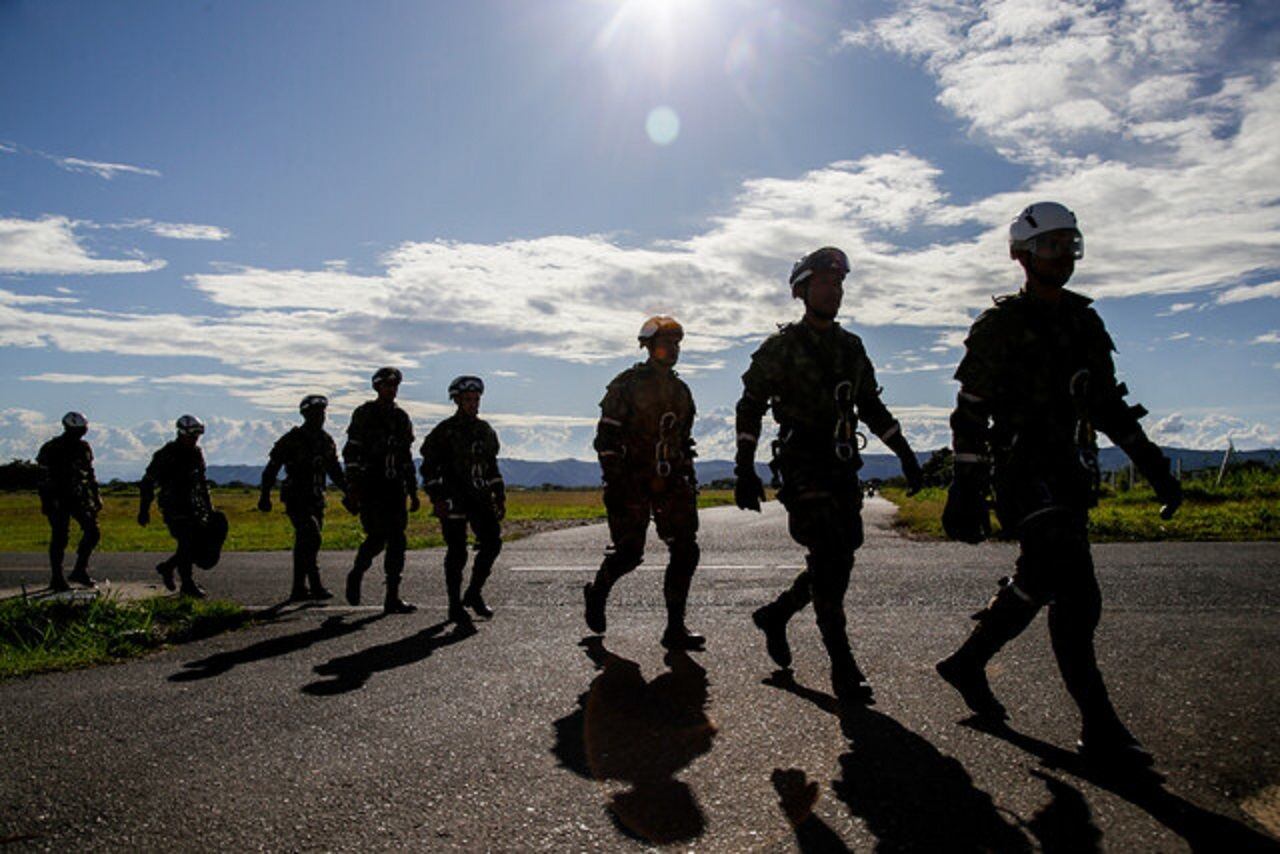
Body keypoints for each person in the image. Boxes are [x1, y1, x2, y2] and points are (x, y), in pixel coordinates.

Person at [936, 201, 1183, 766]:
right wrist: (965, 487)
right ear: (1022, 255)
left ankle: (968, 663)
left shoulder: (1084, 322)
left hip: (1071, 470)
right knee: (1076, 587)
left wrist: (1153, 465)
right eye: (1050, 246)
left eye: (1070, 244)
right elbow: (970, 410)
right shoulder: (999, 327)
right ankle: (1100, 727)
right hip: (1023, 472)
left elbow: (1108, 405)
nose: (1063, 256)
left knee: (1045, 579)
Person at [734, 247, 923, 707]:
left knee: (840, 556)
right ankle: (842, 665)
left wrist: (905, 454)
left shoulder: (851, 347)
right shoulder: (780, 349)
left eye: (838, 284)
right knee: (829, 552)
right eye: (823, 283)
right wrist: (743, 468)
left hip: (841, 466)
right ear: (802, 291)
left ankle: (778, 614)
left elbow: (871, 407)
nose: (833, 291)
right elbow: (750, 406)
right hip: (802, 464)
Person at [583, 316, 704, 651]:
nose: (673, 349)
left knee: (685, 549)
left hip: (672, 481)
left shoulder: (681, 391)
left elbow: (684, 438)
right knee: (629, 554)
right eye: (666, 343)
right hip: (631, 481)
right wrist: (616, 480)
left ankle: (675, 628)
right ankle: (597, 592)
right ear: (649, 348)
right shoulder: (626, 384)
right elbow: (605, 438)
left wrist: (685, 474)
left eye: (677, 343)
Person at [420, 375, 505, 629]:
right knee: (457, 552)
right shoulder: (444, 431)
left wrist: (499, 495)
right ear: (457, 401)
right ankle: (454, 604)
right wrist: (437, 498)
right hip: (453, 499)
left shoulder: (485, 430)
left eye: (476, 399)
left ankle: (474, 592)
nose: (473, 404)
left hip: (480, 499)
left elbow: (491, 466)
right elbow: (428, 468)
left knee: (492, 543)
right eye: (468, 399)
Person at [342, 367, 419, 614]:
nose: (392, 389)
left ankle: (392, 597)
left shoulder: (401, 417)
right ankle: (357, 572)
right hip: (371, 487)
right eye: (387, 385)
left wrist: (413, 490)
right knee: (377, 538)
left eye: (395, 385)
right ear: (377, 387)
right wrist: (353, 486)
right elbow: (351, 452)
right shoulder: (364, 414)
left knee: (398, 540)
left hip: (395, 487)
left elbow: (406, 456)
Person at [258, 394, 348, 602]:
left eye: (322, 413)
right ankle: (315, 585)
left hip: (317, 498)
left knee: (307, 543)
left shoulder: (326, 441)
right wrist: (264, 496)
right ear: (305, 415)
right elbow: (271, 469)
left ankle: (298, 588)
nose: (320, 417)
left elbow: (334, 471)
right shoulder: (292, 440)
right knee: (311, 535)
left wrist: (348, 492)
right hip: (296, 497)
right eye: (316, 413)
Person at [138, 415, 218, 598]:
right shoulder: (166, 454)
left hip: (194, 506)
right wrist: (144, 510)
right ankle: (187, 584)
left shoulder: (196, 453)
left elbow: (202, 483)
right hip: (174, 506)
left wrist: (210, 508)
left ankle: (168, 567)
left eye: (198, 434)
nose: (196, 438)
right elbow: (148, 483)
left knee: (193, 544)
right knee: (187, 541)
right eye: (193, 434)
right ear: (182, 432)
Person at [36, 411, 102, 591]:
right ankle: (57, 578)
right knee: (60, 537)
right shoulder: (51, 448)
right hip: (57, 498)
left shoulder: (84, 448)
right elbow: (42, 478)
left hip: (78, 498)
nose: (82, 432)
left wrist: (96, 496)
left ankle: (80, 570)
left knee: (93, 531)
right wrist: (46, 501)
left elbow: (90, 473)